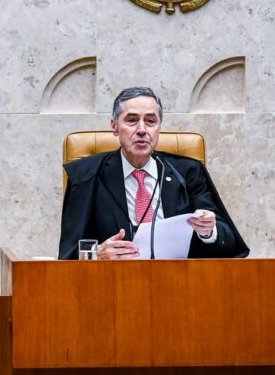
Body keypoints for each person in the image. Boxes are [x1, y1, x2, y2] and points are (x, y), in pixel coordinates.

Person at [58, 87, 249, 260]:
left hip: (180, 284)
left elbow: (229, 244)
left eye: (150, 121)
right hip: (113, 286)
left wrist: (208, 232)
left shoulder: (188, 172)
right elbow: (68, 254)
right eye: (131, 120)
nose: (142, 130)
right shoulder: (86, 176)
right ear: (114, 126)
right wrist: (97, 255)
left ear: (159, 127)